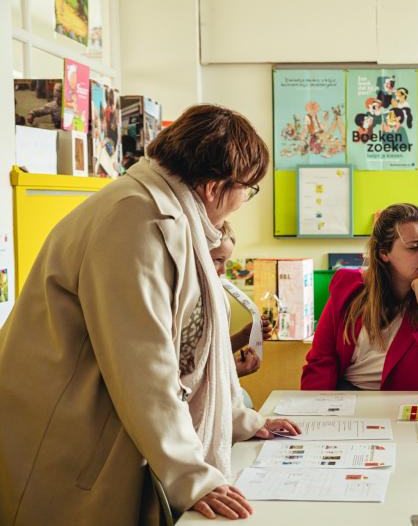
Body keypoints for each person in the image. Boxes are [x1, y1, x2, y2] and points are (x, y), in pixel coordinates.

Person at [0, 104, 300, 526]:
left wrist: (238, 419)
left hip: (102, 430)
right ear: (214, 187)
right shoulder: (134, 219)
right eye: (246, 191)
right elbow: (143, 363)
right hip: (68, 440)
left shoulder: (163, 212)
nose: (241, 204)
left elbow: (193, 352)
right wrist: (193, 478)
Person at [301, 203, 418, 391]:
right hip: (349, 400)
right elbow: (321, 362)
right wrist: (317, 411)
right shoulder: (349, 287)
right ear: (384, 253)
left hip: (411, 406)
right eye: (414, 247)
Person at [209, 222, 272, 380]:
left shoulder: (215, 294)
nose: (223, 271)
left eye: (226, 261)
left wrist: (244, 336)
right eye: (217, 260)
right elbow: (193, 370)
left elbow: (212, 354)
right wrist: (232, 373)